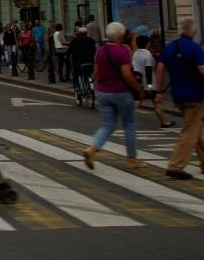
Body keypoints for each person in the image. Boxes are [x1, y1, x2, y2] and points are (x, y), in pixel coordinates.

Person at [155, 18, 204, 179]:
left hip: (178, 95)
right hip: (194, 94)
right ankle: (175, 165)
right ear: (193, 31)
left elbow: (160, 69)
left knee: (194, 128)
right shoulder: (194, 47)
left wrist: (159, 91)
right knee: (189, 131)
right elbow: (203, 70)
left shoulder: (170, 47)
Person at [83, 22, 145, 170]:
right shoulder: (122, 52)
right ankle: (131, 159)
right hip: (121, 92)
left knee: (107, 125)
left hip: (103, 93)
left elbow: (95, 73)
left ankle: (92, 150)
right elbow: (127, 75)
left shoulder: (100, 51)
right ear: (119, 36)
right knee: (129, 125)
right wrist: (139, 88)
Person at [131, 35, 173, 128]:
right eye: (149, 42)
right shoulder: (147, 55)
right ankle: (164, 122)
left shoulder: (135, 54)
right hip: (149, 83)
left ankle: (164, 121)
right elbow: (149, 70)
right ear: (146, 43)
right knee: (157, 102)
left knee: (138, 100)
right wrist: (150, 86)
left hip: (138, 81)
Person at [69, 26, 97, 93]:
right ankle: (88, 85)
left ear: (79, 33)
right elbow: (94, 50)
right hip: (89, 61)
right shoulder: (91, 40)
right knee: (88, 73)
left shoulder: (75, 40)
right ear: (87, 33)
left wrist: (66, 56)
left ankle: (77, 88)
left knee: (76, 74)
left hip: (78, 62)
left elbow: (70, 50)